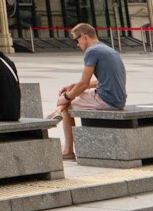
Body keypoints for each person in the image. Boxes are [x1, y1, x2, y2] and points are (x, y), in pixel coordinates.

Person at [52, 22, 127, 161]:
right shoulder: (108, 49)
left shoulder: (92, 51)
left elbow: (84, 83)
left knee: (68, 104)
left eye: (76, 39)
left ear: (84, 37)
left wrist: (67, 97)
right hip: (119, 99)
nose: (77, 44)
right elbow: (100, 81)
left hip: (106, 100)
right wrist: (73, 86)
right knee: (76, 93)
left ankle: (67, 150)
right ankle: (54, 113)